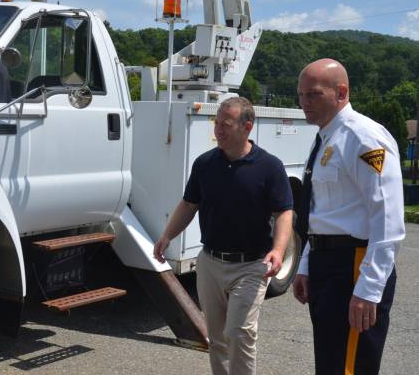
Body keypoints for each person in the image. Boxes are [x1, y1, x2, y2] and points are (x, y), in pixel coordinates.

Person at [153, 97, 293, 375]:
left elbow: (284, 213)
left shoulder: (269, 167)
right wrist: (167, 235)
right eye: (216, 123)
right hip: (211, 263)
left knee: (240, 333)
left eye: (226, 124)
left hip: (252, 266)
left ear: (247, 127)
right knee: (216, 339)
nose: (218, 130)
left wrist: (278, 250)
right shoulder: (205, 164)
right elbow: (189, 204)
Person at [292, 59, 405, 375]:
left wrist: (368, 289)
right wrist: (305, 265)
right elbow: (321, 211)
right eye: (300, 95)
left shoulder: (364, 137)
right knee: (331, 364)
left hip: (354, 265)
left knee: (352, 368)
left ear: (341, 92)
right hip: (327, 265)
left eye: (313, 94)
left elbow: (387, 220)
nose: (304, 103)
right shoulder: (326, 137)